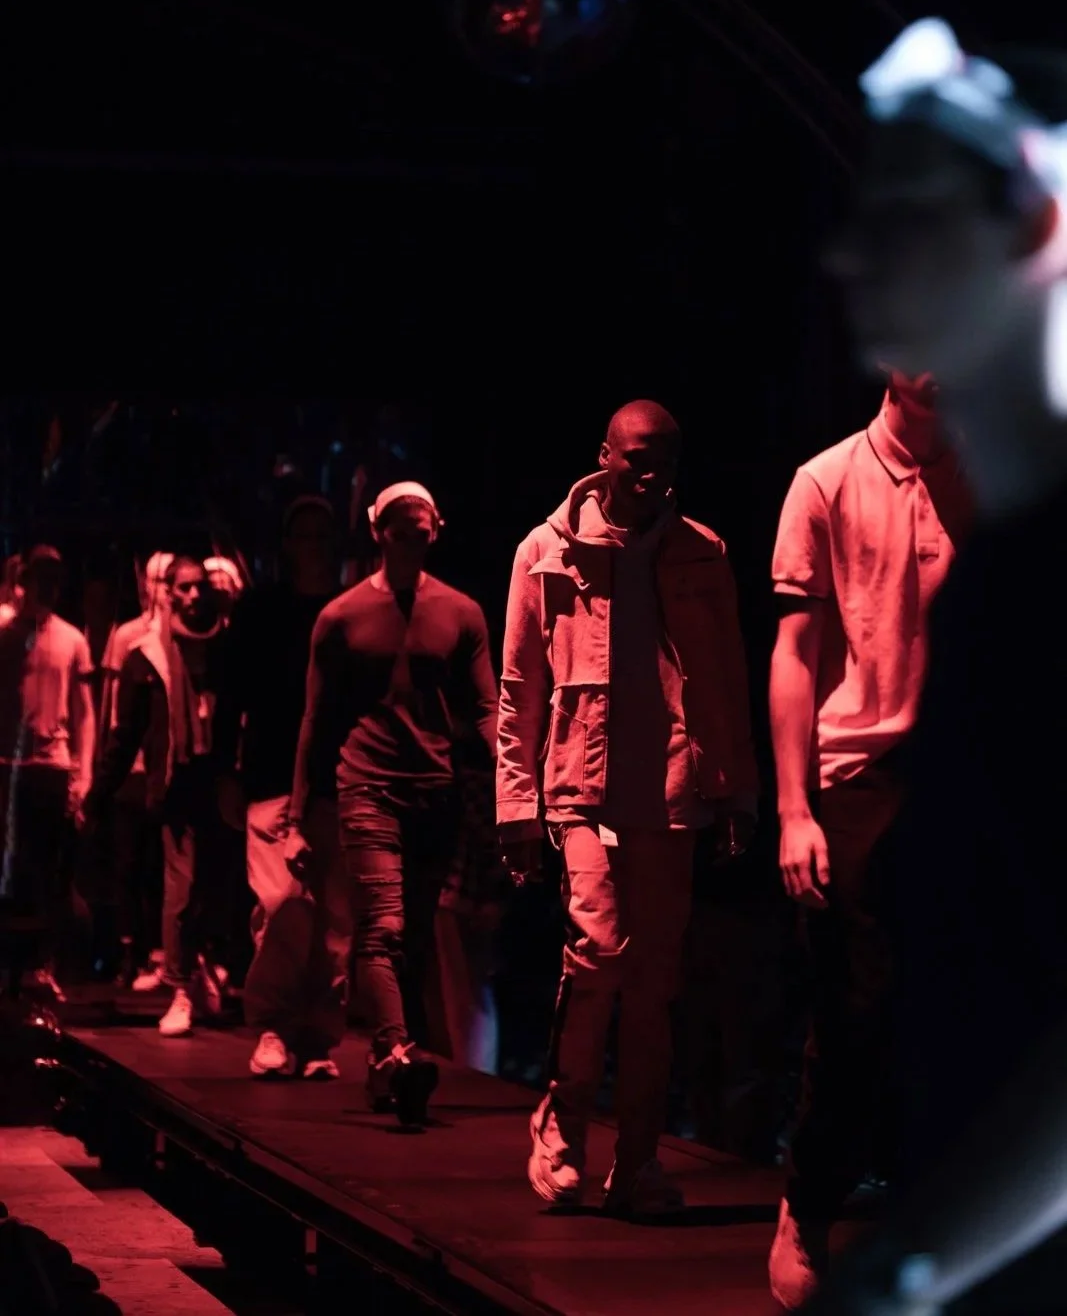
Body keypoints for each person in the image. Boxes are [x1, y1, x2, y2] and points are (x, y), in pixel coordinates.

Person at [799, 19, 1067, 1314]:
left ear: (1030, 229)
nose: (849, 253)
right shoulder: (999, 585)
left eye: (901, 214)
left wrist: (903, 1269)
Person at [497, 400, 758, 1214]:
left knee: (655, 979)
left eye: (668, 458)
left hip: (672, 794)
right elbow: (517, 690)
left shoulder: (701, 552)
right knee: (600, 950)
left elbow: (724, 682)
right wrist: (514, 803)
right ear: (603, 455)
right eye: (638, 456)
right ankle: (563, 1124)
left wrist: (738, 793)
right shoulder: (546, 552)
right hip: (581, 785)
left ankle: (637, 1159)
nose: (652, 473)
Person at [766, 365, 970, 1307]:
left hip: (968, 778)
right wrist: (794, 807)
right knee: (857, 1004)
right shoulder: (827, 479)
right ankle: (805, 1202)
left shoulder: (990, 470)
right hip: (857, 771)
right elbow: (795, 651)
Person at [287, 482, 498, 1123]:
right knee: (384, 927)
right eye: (400, 528)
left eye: (422, 527)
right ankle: (399, 1049)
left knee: (416, 939)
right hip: (368, 786)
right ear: (378, 532)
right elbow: (316, 722)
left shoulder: (461, 614)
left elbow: (487, 709)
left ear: (437, 530)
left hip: (434, 792)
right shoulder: (342, 617)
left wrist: (517, 784)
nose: (412, 537)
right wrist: (297, 819)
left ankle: (387, 1068)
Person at [214, 496, 346, 1079]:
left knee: (334, 921)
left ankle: (316, 1036)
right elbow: (231, 697)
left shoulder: (351, 611)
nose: (313, 545)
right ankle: (270, 1024)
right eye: (304, 535)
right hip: (270, 777)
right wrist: (226, 770)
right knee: (279, 906)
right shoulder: (261, 609)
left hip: (340, 783)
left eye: (323, 534)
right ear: (288, 544)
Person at [87, 556, 225, 1037]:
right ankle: (181, 985)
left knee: (214, 888)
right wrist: (98, 793)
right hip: (175, 784)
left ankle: (199, 965)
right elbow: (125, 734)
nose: (192, 596)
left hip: (220, 784)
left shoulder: (222, 646)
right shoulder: (147, 655)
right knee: (180, 888)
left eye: (199, 588)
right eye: (183, 588)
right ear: (166, 591)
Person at [0, 546, 95, 995]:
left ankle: (40, 964)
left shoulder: (72, 639)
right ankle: (13, 965)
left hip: (50, 767)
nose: (48, 588)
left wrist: (84, 772)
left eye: (55, 580)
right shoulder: (4, 632)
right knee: (12, 869)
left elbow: (83, 712)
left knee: (46, 871)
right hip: (7, 764)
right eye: (41, 578)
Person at [95, 551, 174, 991]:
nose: (162, 591)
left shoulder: (180, 635)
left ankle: (163, 953)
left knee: (159, 865)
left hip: (162, 768)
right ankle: (131, 951)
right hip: (133, 769)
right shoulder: (127, 635)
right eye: (158, 582)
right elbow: (112, 704)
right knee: (127, 862)